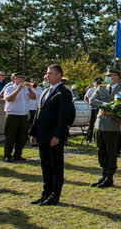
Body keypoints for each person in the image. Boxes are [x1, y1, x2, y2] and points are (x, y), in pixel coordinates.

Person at [29, 64, 73, 206]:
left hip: (54, 136)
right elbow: (38, 113)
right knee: (46, 166)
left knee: (56, 166)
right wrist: (34, 133)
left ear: (59, 75)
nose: (47, 76)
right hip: (42, 134)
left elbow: (64, 116)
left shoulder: (64, 92)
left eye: (50, 73)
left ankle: (55, 195)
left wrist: (57, 135)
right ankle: (46, 193)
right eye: (47, 73)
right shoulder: (45, 91)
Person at [88, 66, 121, 188]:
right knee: (100, 150)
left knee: (110, 151)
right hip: (99, 122)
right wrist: (104, 104)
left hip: (112, 123)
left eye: (110, 76)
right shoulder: (101, 88)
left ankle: (110, 176)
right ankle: (104, 173)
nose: (107, 78)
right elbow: (92, 100)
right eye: (106, 76)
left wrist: (110, 105)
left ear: (116, 77)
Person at [1, 73, 36, 162]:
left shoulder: (26, 89)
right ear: (15, 78)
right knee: (10, 137)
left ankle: (18, 155)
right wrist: (18, 89)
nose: (22, 80)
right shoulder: (9, 87)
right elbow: (8, 99)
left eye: (23, 79)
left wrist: (29, 88)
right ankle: (8, 155)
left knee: (22, 137)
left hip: (24, 116)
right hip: (12, 116)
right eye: (20, 79)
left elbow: (33, 97)